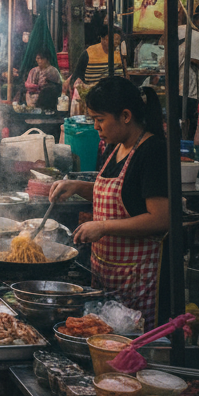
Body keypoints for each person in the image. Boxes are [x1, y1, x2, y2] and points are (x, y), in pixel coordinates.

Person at [49, 78, 168, 328]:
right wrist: (78, 187)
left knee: (131, 347)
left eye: (100, 119)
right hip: (106, 274)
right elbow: (118, 195)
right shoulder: (116, 147)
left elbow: (160, 218)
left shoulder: (152, 151)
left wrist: (103, 227)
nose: (95, 127)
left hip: (137, 277)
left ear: (125, 115)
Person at [68, 22, 124, 101]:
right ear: (102, 39)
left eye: (118, 40)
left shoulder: (120, 53)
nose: (116, 42)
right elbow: (77, 76)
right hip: (93, 96)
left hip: (115, 95)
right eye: (112, 39)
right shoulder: (89, 53)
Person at [178, 3, 199, 138]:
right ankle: (187, 150)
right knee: (191, 121)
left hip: (176, 84)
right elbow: (197, 60)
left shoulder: (179, 29)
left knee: (179, 119)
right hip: (190, 87)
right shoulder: (196, 36)